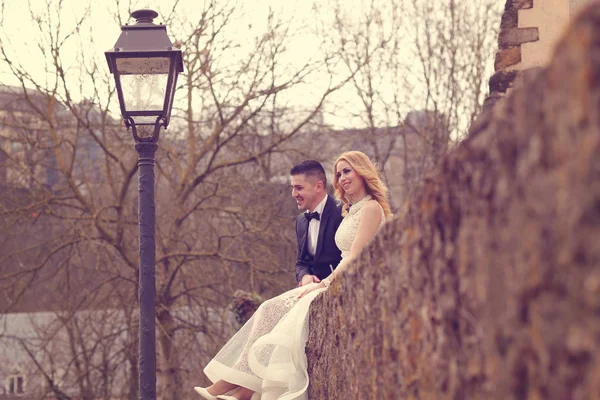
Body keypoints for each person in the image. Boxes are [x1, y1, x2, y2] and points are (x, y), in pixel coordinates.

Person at [194, 151, 393, 400]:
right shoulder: (349, 211)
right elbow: (303, 262)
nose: (341, 177)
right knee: (268, 309)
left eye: (347, 171)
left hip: (343, 283)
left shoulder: (371, 208)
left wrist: (324, 284)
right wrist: (307, 279)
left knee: (275, 311)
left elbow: (353, 257)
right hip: (331, 282)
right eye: (339, 173)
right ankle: (240, 386)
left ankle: (237, 386)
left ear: (362, 171)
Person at [289, 160, 343, 287]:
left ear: (318, 186)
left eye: (299, 188)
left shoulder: (342, 212)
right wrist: (305, 276)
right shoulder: (301, 221)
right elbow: (301, 262)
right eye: (293, 188)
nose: (294, 194)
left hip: (337, 288)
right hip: (310, 288)